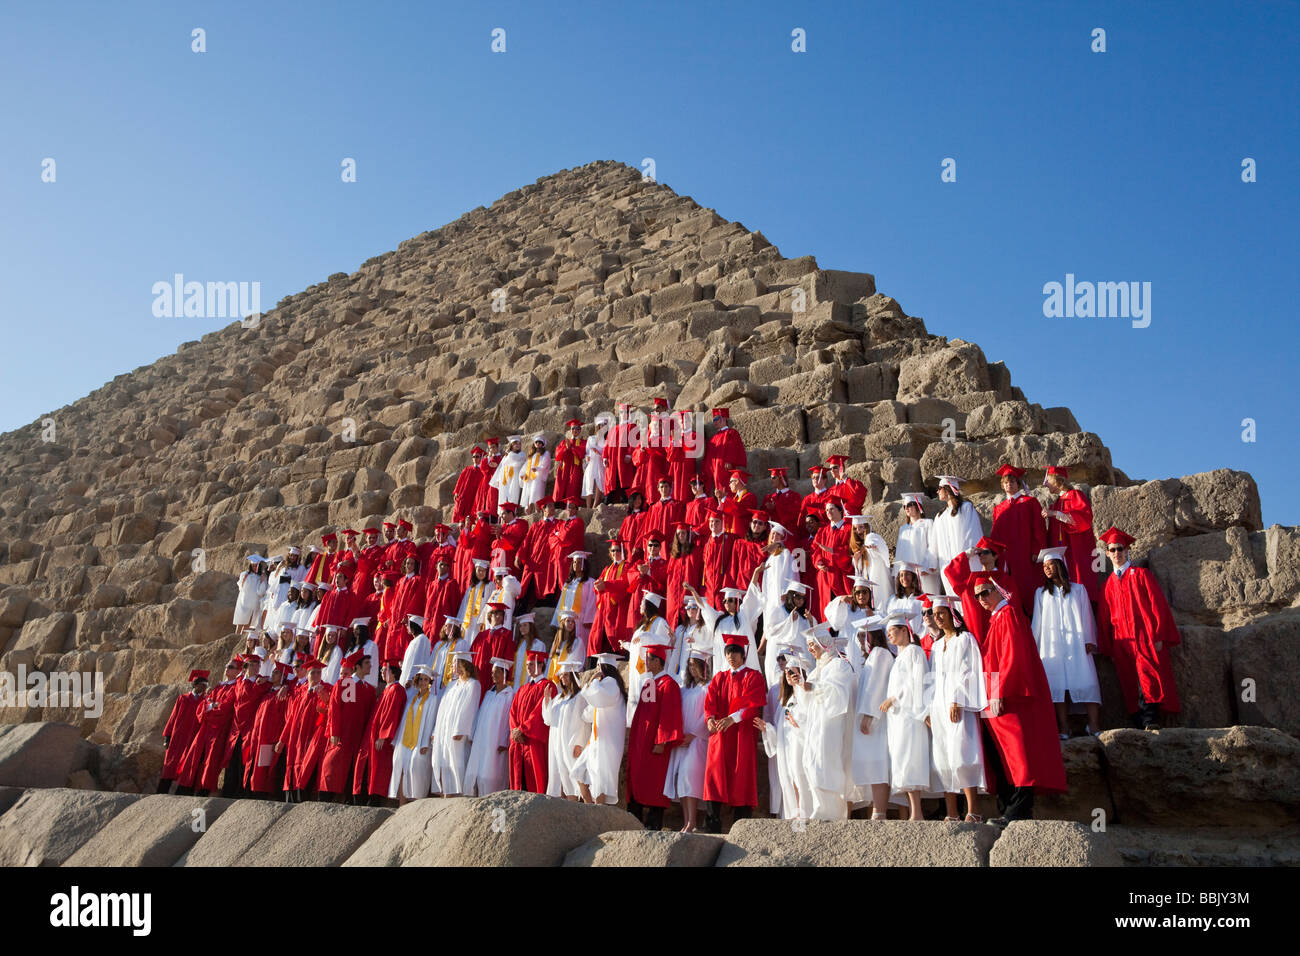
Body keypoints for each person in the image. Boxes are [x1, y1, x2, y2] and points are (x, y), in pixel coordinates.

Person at [971, 571, 1068, 824]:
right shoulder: (996, 619)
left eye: (985, 592)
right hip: (994, 697)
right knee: (1002, 754)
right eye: (977, 595)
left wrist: (1000, 690)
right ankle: (1007, 809)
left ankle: (1019, 810)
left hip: (1008, 698)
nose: (981, 598)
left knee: (1017, 752)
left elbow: (1011, 657)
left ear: (997, 590)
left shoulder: (1009, 615)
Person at [1096, 527, 1181, 730]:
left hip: (1144, 636)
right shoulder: (1108, 584)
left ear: (1127, 551)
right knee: (1128, 679)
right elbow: (1104, 619)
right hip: (1121, 640)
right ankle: (1137, 718)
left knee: (1147, 675)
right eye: (1112, 549)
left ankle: (1150, 718)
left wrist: (1160, 634)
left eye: (1120, 549)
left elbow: (1157, 605)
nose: (1117, 553)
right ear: (1107, 554)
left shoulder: (1141, 575)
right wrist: (1108, 647)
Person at [1031, 547, 1102, 737]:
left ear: (1060, 565)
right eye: (1044, 566)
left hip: (1077, 643)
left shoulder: (1078, 589)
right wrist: (1036, 649)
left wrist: (1089, 639)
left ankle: (1093, 725)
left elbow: (1087, 615)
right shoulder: (1041, 593)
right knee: (1057, 687)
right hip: (1052, 646)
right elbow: (1037, 622)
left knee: (1087, 683)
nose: (1047, 569)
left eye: (1051, 564)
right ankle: (1064, 728)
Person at [928, 595, 987, 822]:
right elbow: (931, 678)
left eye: (942, 613)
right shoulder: (936, 646)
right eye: (935, 615)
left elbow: (968, 671)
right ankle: (952, 812)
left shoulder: (965, 639)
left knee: (963, 753)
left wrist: (957, 699)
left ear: (953, 613)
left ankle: (974, 810)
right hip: (939, 706)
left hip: (958, 705)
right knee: (943, 756)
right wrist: (928, 709)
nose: (938, 618)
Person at [701, 634, 766, 833]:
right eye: (728, 653)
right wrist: (710, 718)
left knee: (741, 777)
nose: (731, 656)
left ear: (743, 655)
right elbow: (709, 703)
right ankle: (712, 823)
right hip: (720, 736)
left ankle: (741, 827)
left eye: (735, 652)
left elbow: (753, 706)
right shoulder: (719, 677)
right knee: (714, 776)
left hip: (741, 736)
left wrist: (732, 719)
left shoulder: (753, 677)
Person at [798, 623, 856, 820]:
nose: (810, 649)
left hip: (830, 722)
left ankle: (831, 811)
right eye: (808, 646)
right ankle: (820, 807)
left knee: (824, 763)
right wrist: (802, 686)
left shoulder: (839, 665)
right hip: (816, 722)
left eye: (813, 645)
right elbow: (806, 699)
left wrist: (813, 687)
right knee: (810, 762)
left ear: (823, 643)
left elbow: (838, 691)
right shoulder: (816, 670)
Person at [626, 642, 685, 830]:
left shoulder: (669, 685)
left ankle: (654, 822)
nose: (646, 661)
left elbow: (669, 716)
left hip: (655, 744)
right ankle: (634, 819)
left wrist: (662, 741)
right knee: (638, 778)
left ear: (659, 662)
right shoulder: (650, 683)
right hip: (641, 743)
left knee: (654, 782)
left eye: (650, 658)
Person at [880, 612, 933, 820]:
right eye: (887, 633)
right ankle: (914, 811)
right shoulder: (899, 656)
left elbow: (917, 682)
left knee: (910, 759)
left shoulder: (914, 651)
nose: (889, 636)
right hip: (898, 718)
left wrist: (893, 699)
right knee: (902, 759)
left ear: (904, 630)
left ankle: (917, 812)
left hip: (910, 715)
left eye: (892, 631)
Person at [758, 648, 811, 821]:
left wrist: (800, 725)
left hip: (801, 745)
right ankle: (795, 818)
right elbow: (780, 730)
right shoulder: (786, 700)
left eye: (793, 672)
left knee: (800, 779)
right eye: (787, 672)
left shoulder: (805, 695)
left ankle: (804, 817)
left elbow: (811, 720)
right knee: (789, 779)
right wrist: (768, 729)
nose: (788, 674)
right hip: (787, 748)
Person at [849, 623, 893, 819]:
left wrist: (869, 715)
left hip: (876, 719)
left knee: (878, 763)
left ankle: (880, 811)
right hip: (869, 717)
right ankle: (877, 810)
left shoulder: (880, 654)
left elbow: (877, 686)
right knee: (872, 764)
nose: (859, 642)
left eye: (862, 637)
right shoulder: (870, 658)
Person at [319, 651, 376, 800]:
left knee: (352, 768)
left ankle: (347, 799)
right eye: (366, 663)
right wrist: (334, 732)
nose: (370, 666)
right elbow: (335, 709)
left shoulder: (369, 689)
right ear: (357, 667)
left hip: (357, 736)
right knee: (333, 765)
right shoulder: (346, 684)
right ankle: (325, 797)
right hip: (342, 734)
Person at [665, 648, 712, 831]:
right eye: (690, 665)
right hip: (682, 740)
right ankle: (687, 822)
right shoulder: (684, 689)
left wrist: (693, 734)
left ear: (703, 666)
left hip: (698, 740)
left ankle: (693, 821)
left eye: (695, 665)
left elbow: (708, 713)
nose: (692, 669)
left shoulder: (707, 688)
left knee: (690, 776)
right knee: (682, 780)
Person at [990, 464, 1046, 616]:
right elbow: (995, 535)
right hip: (1006, 559)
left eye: (1012, 481)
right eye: (1006, 482)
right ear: (1003, 485)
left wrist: (1036, 550)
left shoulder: (1030, 502)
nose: (1009, 484)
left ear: (1018, 484)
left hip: (1026, 556)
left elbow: (1039, 529)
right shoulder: (999, 508)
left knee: (1029, 592)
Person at [1043, 466, 1101, 606]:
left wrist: (1055, 514)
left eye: (1048, 480)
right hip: (1061, 553)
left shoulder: (1075, 495)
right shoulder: (1056, 503)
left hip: (1076, 550)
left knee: (1079, 584)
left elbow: (1083, 520)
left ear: (1057, 480)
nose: (1045, 484)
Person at [575, 654, 627, 805]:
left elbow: (596, 694)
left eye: (598, 666)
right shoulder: (607, 685)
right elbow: (590, 712)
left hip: (607, 742)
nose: (596, 669)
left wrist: (593, 680)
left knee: (600, 779)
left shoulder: (610, 683)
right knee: (579, 773)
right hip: (597, 741)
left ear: (604, 667)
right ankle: (591, 807)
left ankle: (598, 810)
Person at [430, 652, 482, 796]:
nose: (452, 666)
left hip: (458, 732)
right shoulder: (452, 685)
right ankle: (445, 796)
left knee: (457, 763)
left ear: (463, 665)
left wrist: (460, 729)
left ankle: (458, 797)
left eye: (455, 663)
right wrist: (435, 731)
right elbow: (443, 709)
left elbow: (469, 708)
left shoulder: (473, 684)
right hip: (444, 730)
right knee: (443, 763)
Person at [359, 662, 407, 805]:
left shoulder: (396, 690)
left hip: (385, 740)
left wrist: (383, 736)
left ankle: (377, 799)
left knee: (381, 768)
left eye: (384, 670)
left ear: (393, 673)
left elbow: (391, 714)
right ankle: (372, 796)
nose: (381, 672)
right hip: (376, 736)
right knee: (374, 768)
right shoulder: (388, 689)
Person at [508, 640, 554, 793]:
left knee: (535, 778)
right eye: (528, 665)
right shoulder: (523, 689)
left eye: (532, 665)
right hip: (519, 741)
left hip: (533, 740)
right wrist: (515, 731)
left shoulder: (548, 686)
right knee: (518, 779)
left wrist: (523, 730)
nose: (529, 668)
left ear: (541, 666)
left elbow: (539, 713)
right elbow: (512, 712)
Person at [542, 660, 590, 800]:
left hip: (571, 743)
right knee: (561, 779)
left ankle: (581, 810)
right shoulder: (558, 698)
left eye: (566, 675)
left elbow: (584, 722)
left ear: (574, 676)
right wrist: (547, 701)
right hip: (557, 745)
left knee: (576, 779)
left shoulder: (580, 697)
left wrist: (580, 743)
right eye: (561, 676)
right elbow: (548, 720)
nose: (563, 678)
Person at [389, 665, 438, 803]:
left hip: (420, 740)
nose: (423, 682)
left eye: (426, 679)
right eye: (421, 679)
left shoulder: (432, 699)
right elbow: (404, 720)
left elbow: (430, 722)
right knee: (401, 767)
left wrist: (425, 743)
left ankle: (416, 804)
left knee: (416, 768)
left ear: (430, 682)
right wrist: (397, 740)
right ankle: (401, 805)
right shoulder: (412, 698)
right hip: (406, 739)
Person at [465, 658, 514, 796]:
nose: (493, 675)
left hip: (497, 743)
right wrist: (473, 734)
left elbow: (507, 720)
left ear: (505, 674)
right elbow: (480, 716)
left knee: (491, 776)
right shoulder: (489, 693)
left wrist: (505, 741)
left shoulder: (510, 695)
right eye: (493, 672)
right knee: (477, 773)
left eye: (497, 672)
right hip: (482, 740)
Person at [623, 591, 672, 726]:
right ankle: (633, 725)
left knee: (647, 700)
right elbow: (638, 645)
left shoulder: (660, 622)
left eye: (642, 603)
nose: (639, 605)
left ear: (647, 605)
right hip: (637, 670)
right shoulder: (642, 625)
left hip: (649, 670)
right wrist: (627, 645)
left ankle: (647, 726)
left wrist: (647, 636)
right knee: (635, 697)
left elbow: (665, 641)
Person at [157, 670, 209, 793]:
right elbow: (173, 718)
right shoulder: (183, 699)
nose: (203, 687)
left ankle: (182, 793)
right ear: (195, 684)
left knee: (189, 767)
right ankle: (161, 792)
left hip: (192, 739)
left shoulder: (205, 701)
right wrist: (167, 737)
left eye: (205, 685)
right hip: (177, 738)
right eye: (201, 684)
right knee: (170, 766)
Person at [932, 476, 984, 595]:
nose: (937, 491)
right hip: (947, 565)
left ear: (948, 488)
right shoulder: (940, 516)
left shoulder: (966, 508)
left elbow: (973, 531)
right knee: (952, 596)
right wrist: (932, 562)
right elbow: (934, 542)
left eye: (940, 488)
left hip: (965, 560)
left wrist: (967, 554)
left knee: (968, 594)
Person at [896, 493, 943, 596]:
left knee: (928, 598)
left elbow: (932, 545)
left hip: (924, 571)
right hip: (908, 573)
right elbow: (899, 552)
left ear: (917, 505)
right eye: (905, 506)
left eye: (909, 505)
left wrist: (928, 566)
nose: (907, 508)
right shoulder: (903, 529)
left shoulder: (927, 524)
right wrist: (898, 571)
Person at [702, 407, 746, 493]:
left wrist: (730, 461)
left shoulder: (731, 433)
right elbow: (709, 455)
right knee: (718, 490)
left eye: (716, 419)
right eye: (713, 419)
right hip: (715, 469)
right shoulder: (713, 438)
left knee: (728, 488)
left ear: (724, 418)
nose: (714, 422)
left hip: (725, 467)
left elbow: (733, 447)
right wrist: (707, 469)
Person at [552, 420, 586, 505]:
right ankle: (559, 505)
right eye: (573, 428)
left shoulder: (583, 442)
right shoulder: (564, 442)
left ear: (580, 430)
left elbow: (582, 453)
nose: (575, 430)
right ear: (570, 430)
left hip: (575, 467)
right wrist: (565, 448)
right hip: (565, 466)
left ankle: (571, 505)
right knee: (561, 485)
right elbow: (557, 455)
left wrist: (572, 447)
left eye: (577, 429)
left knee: (573, 486)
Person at [234, 556, 269, 633]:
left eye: (256, 565)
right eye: (253, 565)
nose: (254, 567)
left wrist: (261, 581)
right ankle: (236, 639)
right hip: (243, 602)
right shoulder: (244, 574)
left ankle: (241, 640)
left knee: (248, 624)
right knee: (240, 622)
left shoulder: (262, 577)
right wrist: (243, 580)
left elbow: (260, 592)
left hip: (254, 603)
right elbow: (241, 588)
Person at [519, 433, 552, 512]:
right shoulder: (531, 455)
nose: (538, 444)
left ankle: (537, 513)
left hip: (538, 477)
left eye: (540, 442)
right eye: (536, 442)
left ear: (543, 444)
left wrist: (537, 468)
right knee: (528, 496)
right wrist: (522, 474)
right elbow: (526, 466)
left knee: (536, 496)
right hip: (529, 477)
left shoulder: (545, 454)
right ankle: (529, 514)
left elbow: (545, 464)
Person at [582, 413, 609, 508]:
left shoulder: (607, 440)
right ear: (598, 426)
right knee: (589, 483)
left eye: (604, 425)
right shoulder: (591, 438)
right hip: (592, 463)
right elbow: (587, 452)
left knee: (599, 484)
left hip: (600, 463)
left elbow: (607, 453)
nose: (603, 427)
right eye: (601, 425)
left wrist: (599, 453)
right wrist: (587, 457)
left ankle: (594, 506)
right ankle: (588, 507)